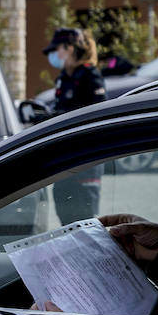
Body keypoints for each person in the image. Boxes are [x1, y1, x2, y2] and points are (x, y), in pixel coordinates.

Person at [45, 27, 108, 223]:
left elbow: (98, 116)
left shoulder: (89, 75)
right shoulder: (64, 78)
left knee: (83, 221)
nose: (54, 55)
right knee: (64, 218)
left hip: (84, 161)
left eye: (57, 49)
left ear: (70, 48)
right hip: (64, 160)